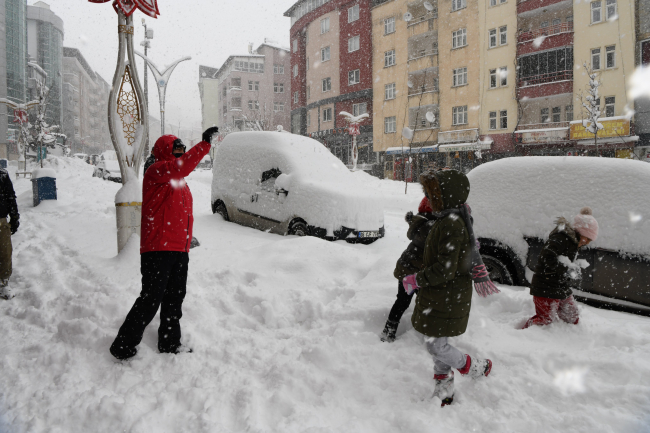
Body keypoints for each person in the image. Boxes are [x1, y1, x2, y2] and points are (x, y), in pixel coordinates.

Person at [109, 127, 218, 361]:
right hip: (158, 248)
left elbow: (180, 211)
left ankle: (169, 343)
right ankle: (123, 345)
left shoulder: (177, 179)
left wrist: (188, 240)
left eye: (182, 149)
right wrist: (204, 145)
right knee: (150, 299)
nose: (180, 153)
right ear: (165, 151)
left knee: (174, 299)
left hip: (178, 248)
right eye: (176, 149)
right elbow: (182, 167)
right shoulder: (157, 170)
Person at [401, 169, 492, 407]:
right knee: (436, 339)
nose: (429, 200)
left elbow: (445, 269)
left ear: (446, 196)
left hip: (447, 294)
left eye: (433, 195)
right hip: (443, 294)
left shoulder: (452, 223)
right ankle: (444, 385)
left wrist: (416, 279)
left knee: (434, 344)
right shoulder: (449, 218)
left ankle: (473, 366)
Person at [523, 207, 598, 329]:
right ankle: (523, 334)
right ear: (581, 232)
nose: (587, 242)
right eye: (587, 238)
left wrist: (573, 267)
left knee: (572, 316)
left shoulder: (573, 243)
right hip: (545, 286)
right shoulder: (561, 238)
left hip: (560, 286)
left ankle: (571, 334)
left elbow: (563, 261)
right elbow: (547, 257)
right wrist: (566, 269)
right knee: (545, 320)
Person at [380, 197, 436, 342]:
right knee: (423, 301)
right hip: (413, 272)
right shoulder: (430, 226)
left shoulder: (422, 223)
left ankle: (389, 331)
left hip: (408, 269)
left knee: (403, 301)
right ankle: (422, 332)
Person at [0, 167, 19, 300]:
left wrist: (14, 217)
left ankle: (3, 282)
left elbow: (10, 196)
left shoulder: (2, 174)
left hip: (1, 220)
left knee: (5, 252)